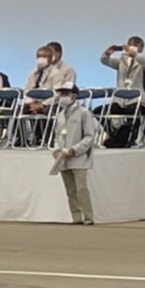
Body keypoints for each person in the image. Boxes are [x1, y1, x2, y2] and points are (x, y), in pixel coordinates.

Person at [52, 81, 97, 225]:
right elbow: (58, 135)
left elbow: (89, 136)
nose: (63, 96)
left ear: (74, 95)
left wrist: (75, 150)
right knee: (70, 190)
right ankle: (76, 216)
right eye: (61, 93)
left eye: (66, 93)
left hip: (79, 158)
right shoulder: (60, 115)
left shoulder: (84, 113)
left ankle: (88, 217)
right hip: (63, 157)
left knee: (81, 189)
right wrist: (57, 149)